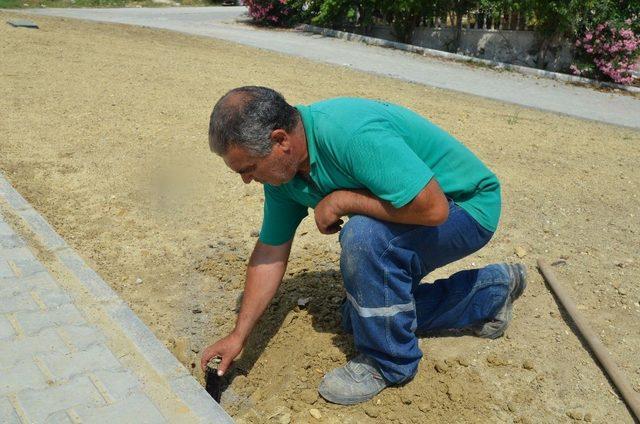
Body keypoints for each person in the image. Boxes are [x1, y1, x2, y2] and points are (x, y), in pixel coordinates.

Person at [200, 86, 526, 405]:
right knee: (359, 318)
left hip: (466, 204)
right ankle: (490, 293)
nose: (246, 180)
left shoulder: (349, 134)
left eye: (248, 169)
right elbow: (270, 252)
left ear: (280, 141)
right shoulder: (283, 176)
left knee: (364, 237)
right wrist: (238, 336)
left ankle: (389, 364)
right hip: (428, 211)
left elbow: (433, 208)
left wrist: (342, 200)